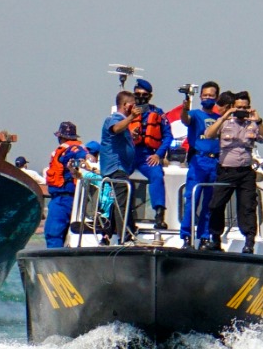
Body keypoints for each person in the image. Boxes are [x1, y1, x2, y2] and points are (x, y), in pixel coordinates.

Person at [205, 90, 263, 252]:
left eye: (245, 108)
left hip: (245, 172)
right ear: (233, 107)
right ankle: (215, 238)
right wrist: (225, 116)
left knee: (247, 207)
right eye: (239, 107)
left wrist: (258, 120)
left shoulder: (252, 124)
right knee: (216, 205)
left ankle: (249, 242)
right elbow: (209, 134)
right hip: (226, 171)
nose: (242, 110)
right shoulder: (225, 122)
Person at [182, 81, 223, 248]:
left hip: (215, 162)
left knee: (210, 202)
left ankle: (205, 236)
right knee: (192, 199)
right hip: (198, 161)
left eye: (211, 95)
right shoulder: (195, 114)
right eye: (205, 95)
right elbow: (185, 119)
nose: (207, 98)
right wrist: (184, 108)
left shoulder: (220, 119)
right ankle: (186, 236)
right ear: (200, 97)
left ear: (216, 98)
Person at [128, 79, 170, 228]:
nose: (140, 97)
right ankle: (117, 215)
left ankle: (159, 214)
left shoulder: (158, 113)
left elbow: (168, 136)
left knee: (157, 175)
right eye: (137, 94)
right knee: (117, 177)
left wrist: (158, 154)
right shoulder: (126, 112)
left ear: (150, 96)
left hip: (147, 155)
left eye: (144, 95)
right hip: (129, 154)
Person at [99, 90, 140, 235]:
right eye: (133, 105)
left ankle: (117, 231)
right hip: (116, 168)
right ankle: (124, 235)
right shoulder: (114, 118)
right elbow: (115, 128)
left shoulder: (123, 123)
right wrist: (131, 117)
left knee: (124, 198)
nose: (135, 108)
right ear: (126, 105)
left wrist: (131, 135)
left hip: (121, 168)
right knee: (122, 201)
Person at [43, 121, 89, 248]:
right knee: (64, 234)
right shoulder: (74, 148)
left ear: (61, 136)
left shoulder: (71, 149)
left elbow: (83, 155)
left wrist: (87, 158)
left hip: (63, 198)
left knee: (53, 233)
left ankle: (54, 258)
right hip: (69, 197)